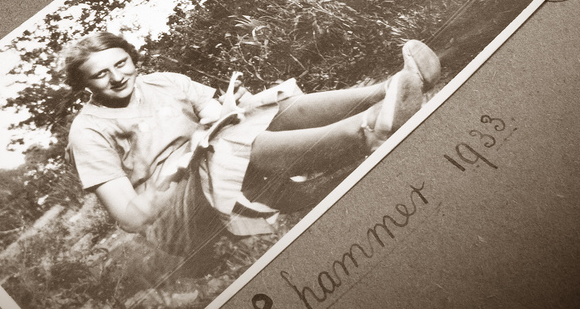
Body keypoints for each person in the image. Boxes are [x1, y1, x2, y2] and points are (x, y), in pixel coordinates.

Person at [61, 30, 439, 260]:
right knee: (225, 143)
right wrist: (185, 159)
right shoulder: (88, 131)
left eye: (121, 63)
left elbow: (212, 114)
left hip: (218, 172)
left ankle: (388, 90)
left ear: (132, 57)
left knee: (255, 108)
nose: (117, 77)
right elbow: (131, 217)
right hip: (177, 218)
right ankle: (367, 130)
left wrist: (225, 111)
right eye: (100, 74)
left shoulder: (163, 82)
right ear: (84, 86)